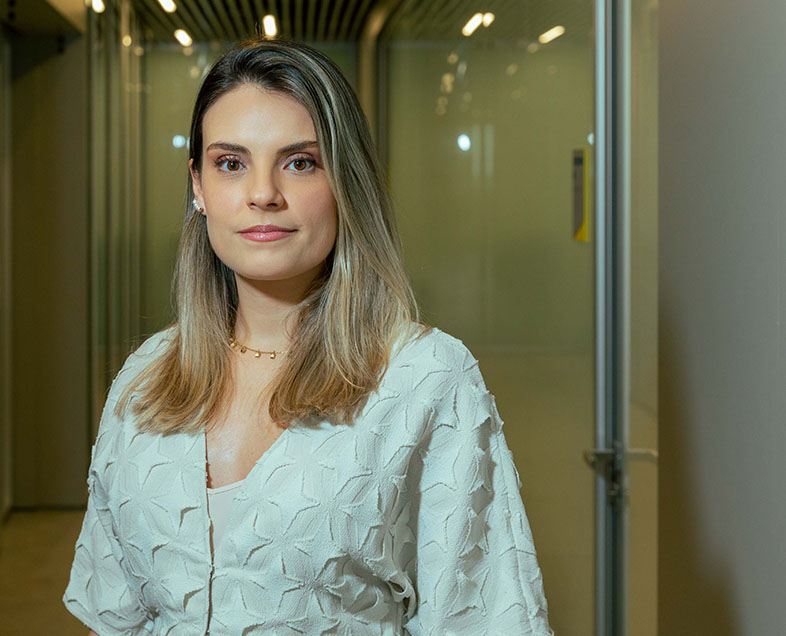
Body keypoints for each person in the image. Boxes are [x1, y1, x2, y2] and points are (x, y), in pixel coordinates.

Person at [63, 37, 553, 636]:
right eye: (230, 162)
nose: (263, 193)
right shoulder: (145, 377)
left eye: (300, 162)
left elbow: (482, 620)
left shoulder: (427, 378)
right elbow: (114, 615)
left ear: (345, 181)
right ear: (198, 185)